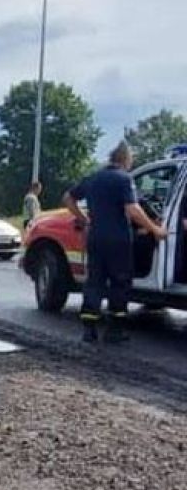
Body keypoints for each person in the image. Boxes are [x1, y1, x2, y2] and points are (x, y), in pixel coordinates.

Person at [63, 141, 167, 344]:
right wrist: (155, 229)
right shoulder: (123, 179)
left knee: (94, 282)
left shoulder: (94, 177)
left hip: (95, 237)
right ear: (126, 159)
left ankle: (89, 330)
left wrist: (84, 220)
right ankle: (114, 332)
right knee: (120, 282)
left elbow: (68, 198)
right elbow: (133, 210)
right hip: (118, 240)